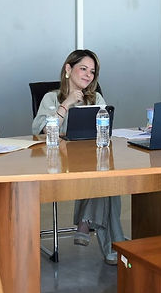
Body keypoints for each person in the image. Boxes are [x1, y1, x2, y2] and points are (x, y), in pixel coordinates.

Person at [31, 49, 124, 265]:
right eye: (83, 69)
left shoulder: (96, 98)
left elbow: (103, 130)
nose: (88, 75)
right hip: (58, 161)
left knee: (110, 178)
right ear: (68, 69)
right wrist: (68, 103)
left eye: (92, 72)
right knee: (106, 181)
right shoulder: (51, 97)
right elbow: (41, 129)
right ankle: (113, 243)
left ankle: (86, 222)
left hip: (90, 157)